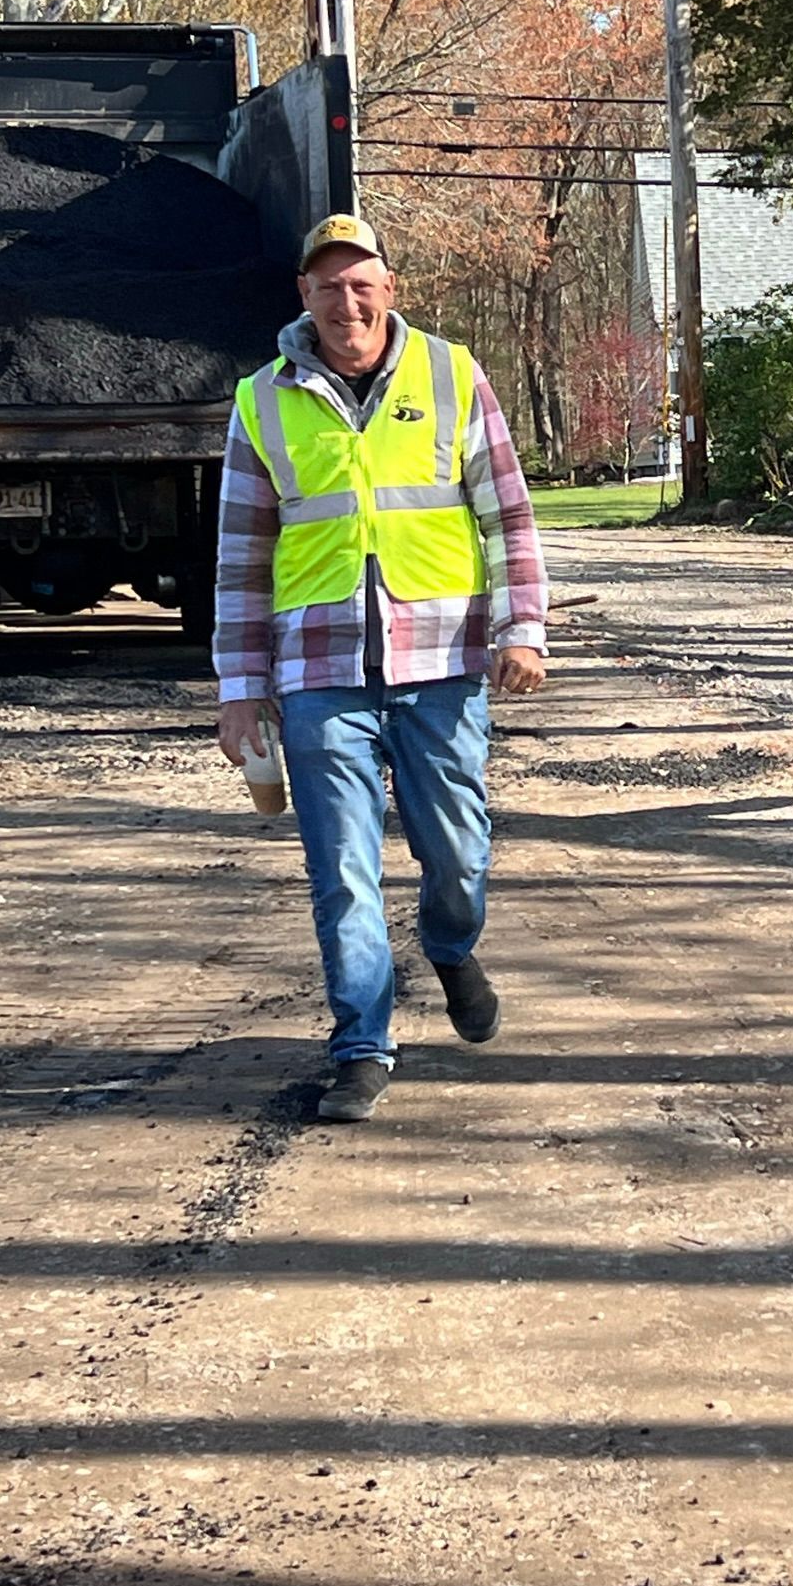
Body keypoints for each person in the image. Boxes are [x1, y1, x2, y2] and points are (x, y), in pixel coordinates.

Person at [213, 212, 548, 1121]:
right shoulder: (262, 400)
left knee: (458, 852)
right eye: (327, 284)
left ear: (390, 288)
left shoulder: (452, 375)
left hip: (440, 663)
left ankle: (449, 943)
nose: (345, 300)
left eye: (361, 281)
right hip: (318, 675)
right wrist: (241, 689)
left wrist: (523, 629)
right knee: (343, 868)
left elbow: (507, 518)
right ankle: (361, 1043)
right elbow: (242, 557)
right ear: (304, 296)